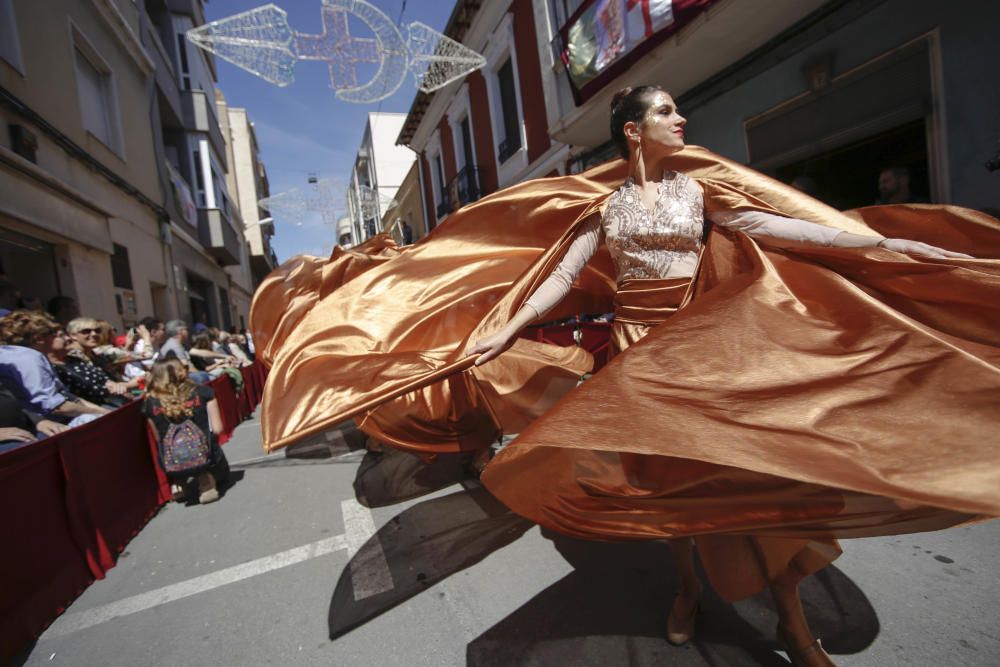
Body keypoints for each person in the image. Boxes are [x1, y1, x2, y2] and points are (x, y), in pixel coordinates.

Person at [254, 88, 998, 665]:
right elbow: (554, 283)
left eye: (680, 110)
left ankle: (797, 629)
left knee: (753, 485)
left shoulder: (699, 195)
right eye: (667, 112)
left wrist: (882, 248)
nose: (682, 120)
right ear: (635, 134)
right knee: (664, 494)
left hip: (701, 358)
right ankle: (684, 586)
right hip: (637, 368)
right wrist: (500, 330)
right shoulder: (604, 209)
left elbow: (780, 230)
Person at [0, 310, 110, 426]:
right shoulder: (29, 358)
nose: (59, 335)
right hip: (49, 425)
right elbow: (57, 407)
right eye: (53, 332)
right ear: (39, 339)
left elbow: (69, 397)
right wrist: (102, 413)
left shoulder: (16, 355)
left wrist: (104, 412)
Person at [141, 357, 226, 504]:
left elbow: (157, 438)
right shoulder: (203, 392)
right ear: (182, 371)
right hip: (205, 456)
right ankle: (205, 479)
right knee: (221, 470)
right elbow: (218, 429)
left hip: (170, 461)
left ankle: (178, 483)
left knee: (170, 446)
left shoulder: (149, 403)